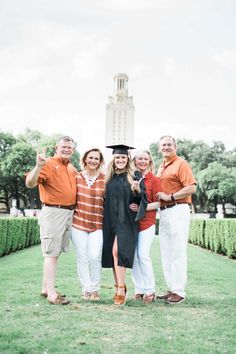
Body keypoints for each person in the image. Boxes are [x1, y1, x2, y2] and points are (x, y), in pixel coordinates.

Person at [26, 136, 77, 305]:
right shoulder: (47, 164)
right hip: (53, 212)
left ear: (73, 149)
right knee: (51, 253)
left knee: (55, 252)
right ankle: (52, 294)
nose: (67, 150)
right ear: (57, 147)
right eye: (64, 147)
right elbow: (30, 183)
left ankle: (45, 288)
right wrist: (38, 166)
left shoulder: (70, 167)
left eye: (70, 147)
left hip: (68, 214)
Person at [102, 144, 146, 306]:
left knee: (117, 251)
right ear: (113, 159)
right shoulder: (108, 176)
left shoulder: (134, 175)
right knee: (112, 253)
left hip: (126, 219)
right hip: (110, 219)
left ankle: (121, 289)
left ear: (127, 159)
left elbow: (141, 199)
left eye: (123, 157)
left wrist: (137, 191)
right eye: (117, 157)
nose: (120, 160)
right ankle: (119, 286)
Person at [156, 135, 196, 304]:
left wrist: (171, 196)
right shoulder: (161, 166)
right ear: (159, 148)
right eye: (163, 145)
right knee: (166, 252)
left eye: (169, 144)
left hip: (178, 209)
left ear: (175, 147)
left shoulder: (181, 163)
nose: (166, 147)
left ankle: (179, 291)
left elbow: (191, 187)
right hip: (164, 212)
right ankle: (171, 288)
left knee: (178, 251)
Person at [71, 148, 105, 301]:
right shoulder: (76, 177)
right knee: (82, 256)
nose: (93, 161)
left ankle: (95, 288)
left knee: (94, 256)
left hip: (98, 224)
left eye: (96, 158)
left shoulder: (105, 179)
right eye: (90, 157)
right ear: (85, 159)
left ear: (100, 161)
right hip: (78, 223)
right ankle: (87, 289)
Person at [129, 150, 161, 303]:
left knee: (143, 255)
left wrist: (142, 207)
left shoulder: (154, 180)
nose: (142, 161)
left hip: (147, 222)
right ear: (134, 161)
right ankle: (139, 289)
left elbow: (159, 202)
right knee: (134, 257)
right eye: (139, 159)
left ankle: (150, 290)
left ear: (149, 161)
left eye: (145, 159)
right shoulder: (131, 178)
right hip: (132, 223)